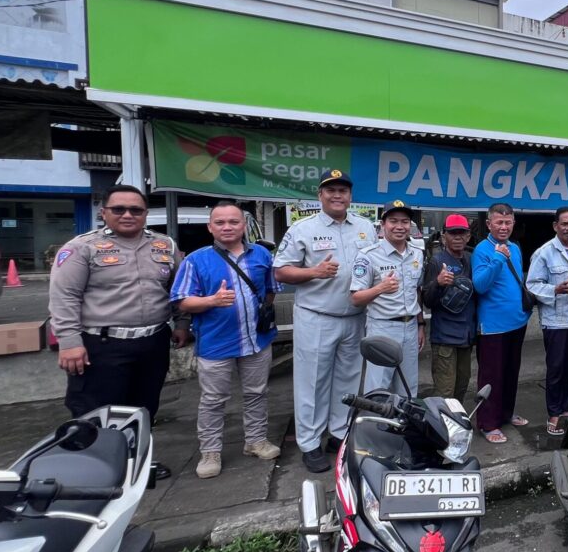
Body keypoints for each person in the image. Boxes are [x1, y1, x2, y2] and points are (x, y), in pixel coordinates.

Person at [49, 184, 192, 480]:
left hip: (152, 342)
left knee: (143, 408)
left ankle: (136, 465)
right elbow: (64, 298)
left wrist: (181, 324)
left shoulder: (164, 245)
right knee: (96, 411)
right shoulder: (81, 248)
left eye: (136, 210)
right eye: (119, 209)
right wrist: (69, 342)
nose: (128, 215)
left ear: (145, 213)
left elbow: (178, 290)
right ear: (104, 213)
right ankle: (95, 473)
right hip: (101, 344)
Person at [274, 169, 376, 473]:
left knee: (347, 380)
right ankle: (309, 443)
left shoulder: (366, 228)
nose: (337, 195)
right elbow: (280, 271)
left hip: (354, 317)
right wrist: (313, 272)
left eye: (342, 190)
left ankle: (339, 434)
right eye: (330, 190)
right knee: (313, 382)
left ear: (350, 196)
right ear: (320, 195)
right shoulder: (303, 229)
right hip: (317, 317)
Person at [170, 201, 282, 479]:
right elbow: (182, 301)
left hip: (257, 339)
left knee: (257, 393)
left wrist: (262, 313)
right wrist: (212, 301)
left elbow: (271, 291)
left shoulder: (262, 256)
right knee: (213, 399)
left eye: (233, 221)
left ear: (244, 226)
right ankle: (210, 451)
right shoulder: (195, 260)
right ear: (210, 227)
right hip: (216, 342)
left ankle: (255, 441)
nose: (227, 227)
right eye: (220, 222)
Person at [351, 201, 425, 397]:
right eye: (393, 221)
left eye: (405, 221)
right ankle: (375, 426)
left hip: (410, 329)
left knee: (409, 388)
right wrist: (380, 288)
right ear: (383, 224)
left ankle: (405, 428)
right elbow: (356, 298)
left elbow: (416, 292)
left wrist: (420, 325)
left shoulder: (417, 254)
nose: (400, 227)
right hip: (382, 328)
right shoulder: (368, 256)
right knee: (378, 389)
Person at [472, 203, 532, 444]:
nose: (504, 227)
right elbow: (480, 285)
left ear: (513, 223)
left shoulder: (515, 248)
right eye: (499, 222)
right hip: (493, 325)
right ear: (489, 224)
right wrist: (497, 258)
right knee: (491, 376)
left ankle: (505, 413)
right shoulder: (482, 249)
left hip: (516, 322)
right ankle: (487, 423)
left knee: (510, 372)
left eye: (508, 223)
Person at [526, 207, 568, 435]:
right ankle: (553, 412)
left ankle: (565, 409)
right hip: (556, 321)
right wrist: (556, 289)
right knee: (555, 369)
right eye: (565, 224)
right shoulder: (544, 253)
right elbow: (532, 284)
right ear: (556, 226)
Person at [420, 214, 476, 402]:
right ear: (444, 236)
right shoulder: (437, 261)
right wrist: (438, 283)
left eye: (462, 233)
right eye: (453, 233)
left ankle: (456, 428)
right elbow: (427, 300)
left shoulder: (471, 258)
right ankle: (441, 430)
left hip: (466, 337)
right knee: (445, 393)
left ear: (468, 236)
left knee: (462, 387)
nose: (458, 237)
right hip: (445, 338)